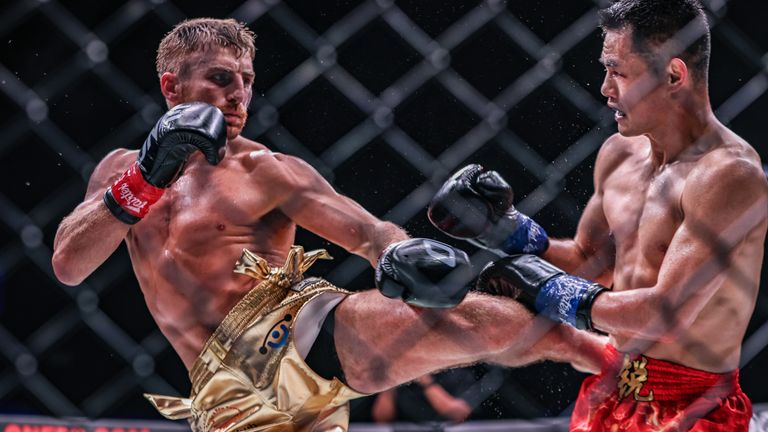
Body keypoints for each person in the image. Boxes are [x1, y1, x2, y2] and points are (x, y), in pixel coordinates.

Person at [50, 18, 606, 432]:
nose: (239, 94)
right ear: (172, 88)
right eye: (221, 78)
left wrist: (396, 253)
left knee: (479, 318)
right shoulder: (119, 171)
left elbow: (367, 231)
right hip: (222, 396)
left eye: (246, 79)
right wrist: (145, 180)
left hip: (291, 331)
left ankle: (607, 356)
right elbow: (69, 265)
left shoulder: (266, 170)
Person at [428, 0, 768, 430]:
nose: (605, 88)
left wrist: (552, 292)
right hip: (610, 390)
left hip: (692, 405)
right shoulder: (619, 155)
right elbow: (590, 261)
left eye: (618, 72)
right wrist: (507, 233)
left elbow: (667, 315)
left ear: (673, 75)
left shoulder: (728, 175)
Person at [371, 373, 472, 424]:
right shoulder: (403, 381)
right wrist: (390, 383)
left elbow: (459, 414)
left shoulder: (454, 373)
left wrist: (426, 382)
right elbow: (381, 419)